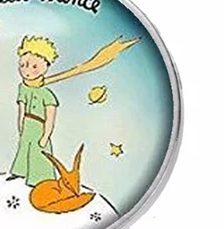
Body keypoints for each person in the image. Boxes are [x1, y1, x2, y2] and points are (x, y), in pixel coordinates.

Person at [8, 35, 139, 186]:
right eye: (23, 65)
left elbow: (50, 117)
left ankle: (39, 179)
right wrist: (20, 126)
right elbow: (21, 109)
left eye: (34, 66)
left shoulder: (46, 94)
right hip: (27, 126)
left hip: (40, 127)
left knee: (40, 152)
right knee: (24, 148)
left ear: (46, 66)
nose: (27, 70)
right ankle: (20, 171)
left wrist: (46, 135)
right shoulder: (23, 88)